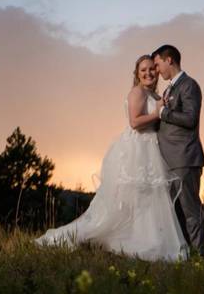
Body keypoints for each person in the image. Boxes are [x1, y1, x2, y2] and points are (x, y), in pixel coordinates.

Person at [33, 55, 189, 261]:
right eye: (143, 70)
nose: (148, 73)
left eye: (152, 69)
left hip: (150, 148)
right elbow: (135, 122)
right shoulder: (137, 92)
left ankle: (149, 240)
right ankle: (76, 237)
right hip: (138, 149)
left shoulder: (153, 94)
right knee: (131, 199)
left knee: (148, 199)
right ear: (137, 74)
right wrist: (159, 113)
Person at [152, 44, 204, 256]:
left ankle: (199, 257)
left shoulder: (189, 85)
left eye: (157, 64)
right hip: (170, 161)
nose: (157, 70)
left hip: (185, 158)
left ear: (169, 60)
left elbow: (190, 119)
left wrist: (164, 112)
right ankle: (183, 255)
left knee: (191, 211)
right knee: (175, 213)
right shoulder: (169, 89)